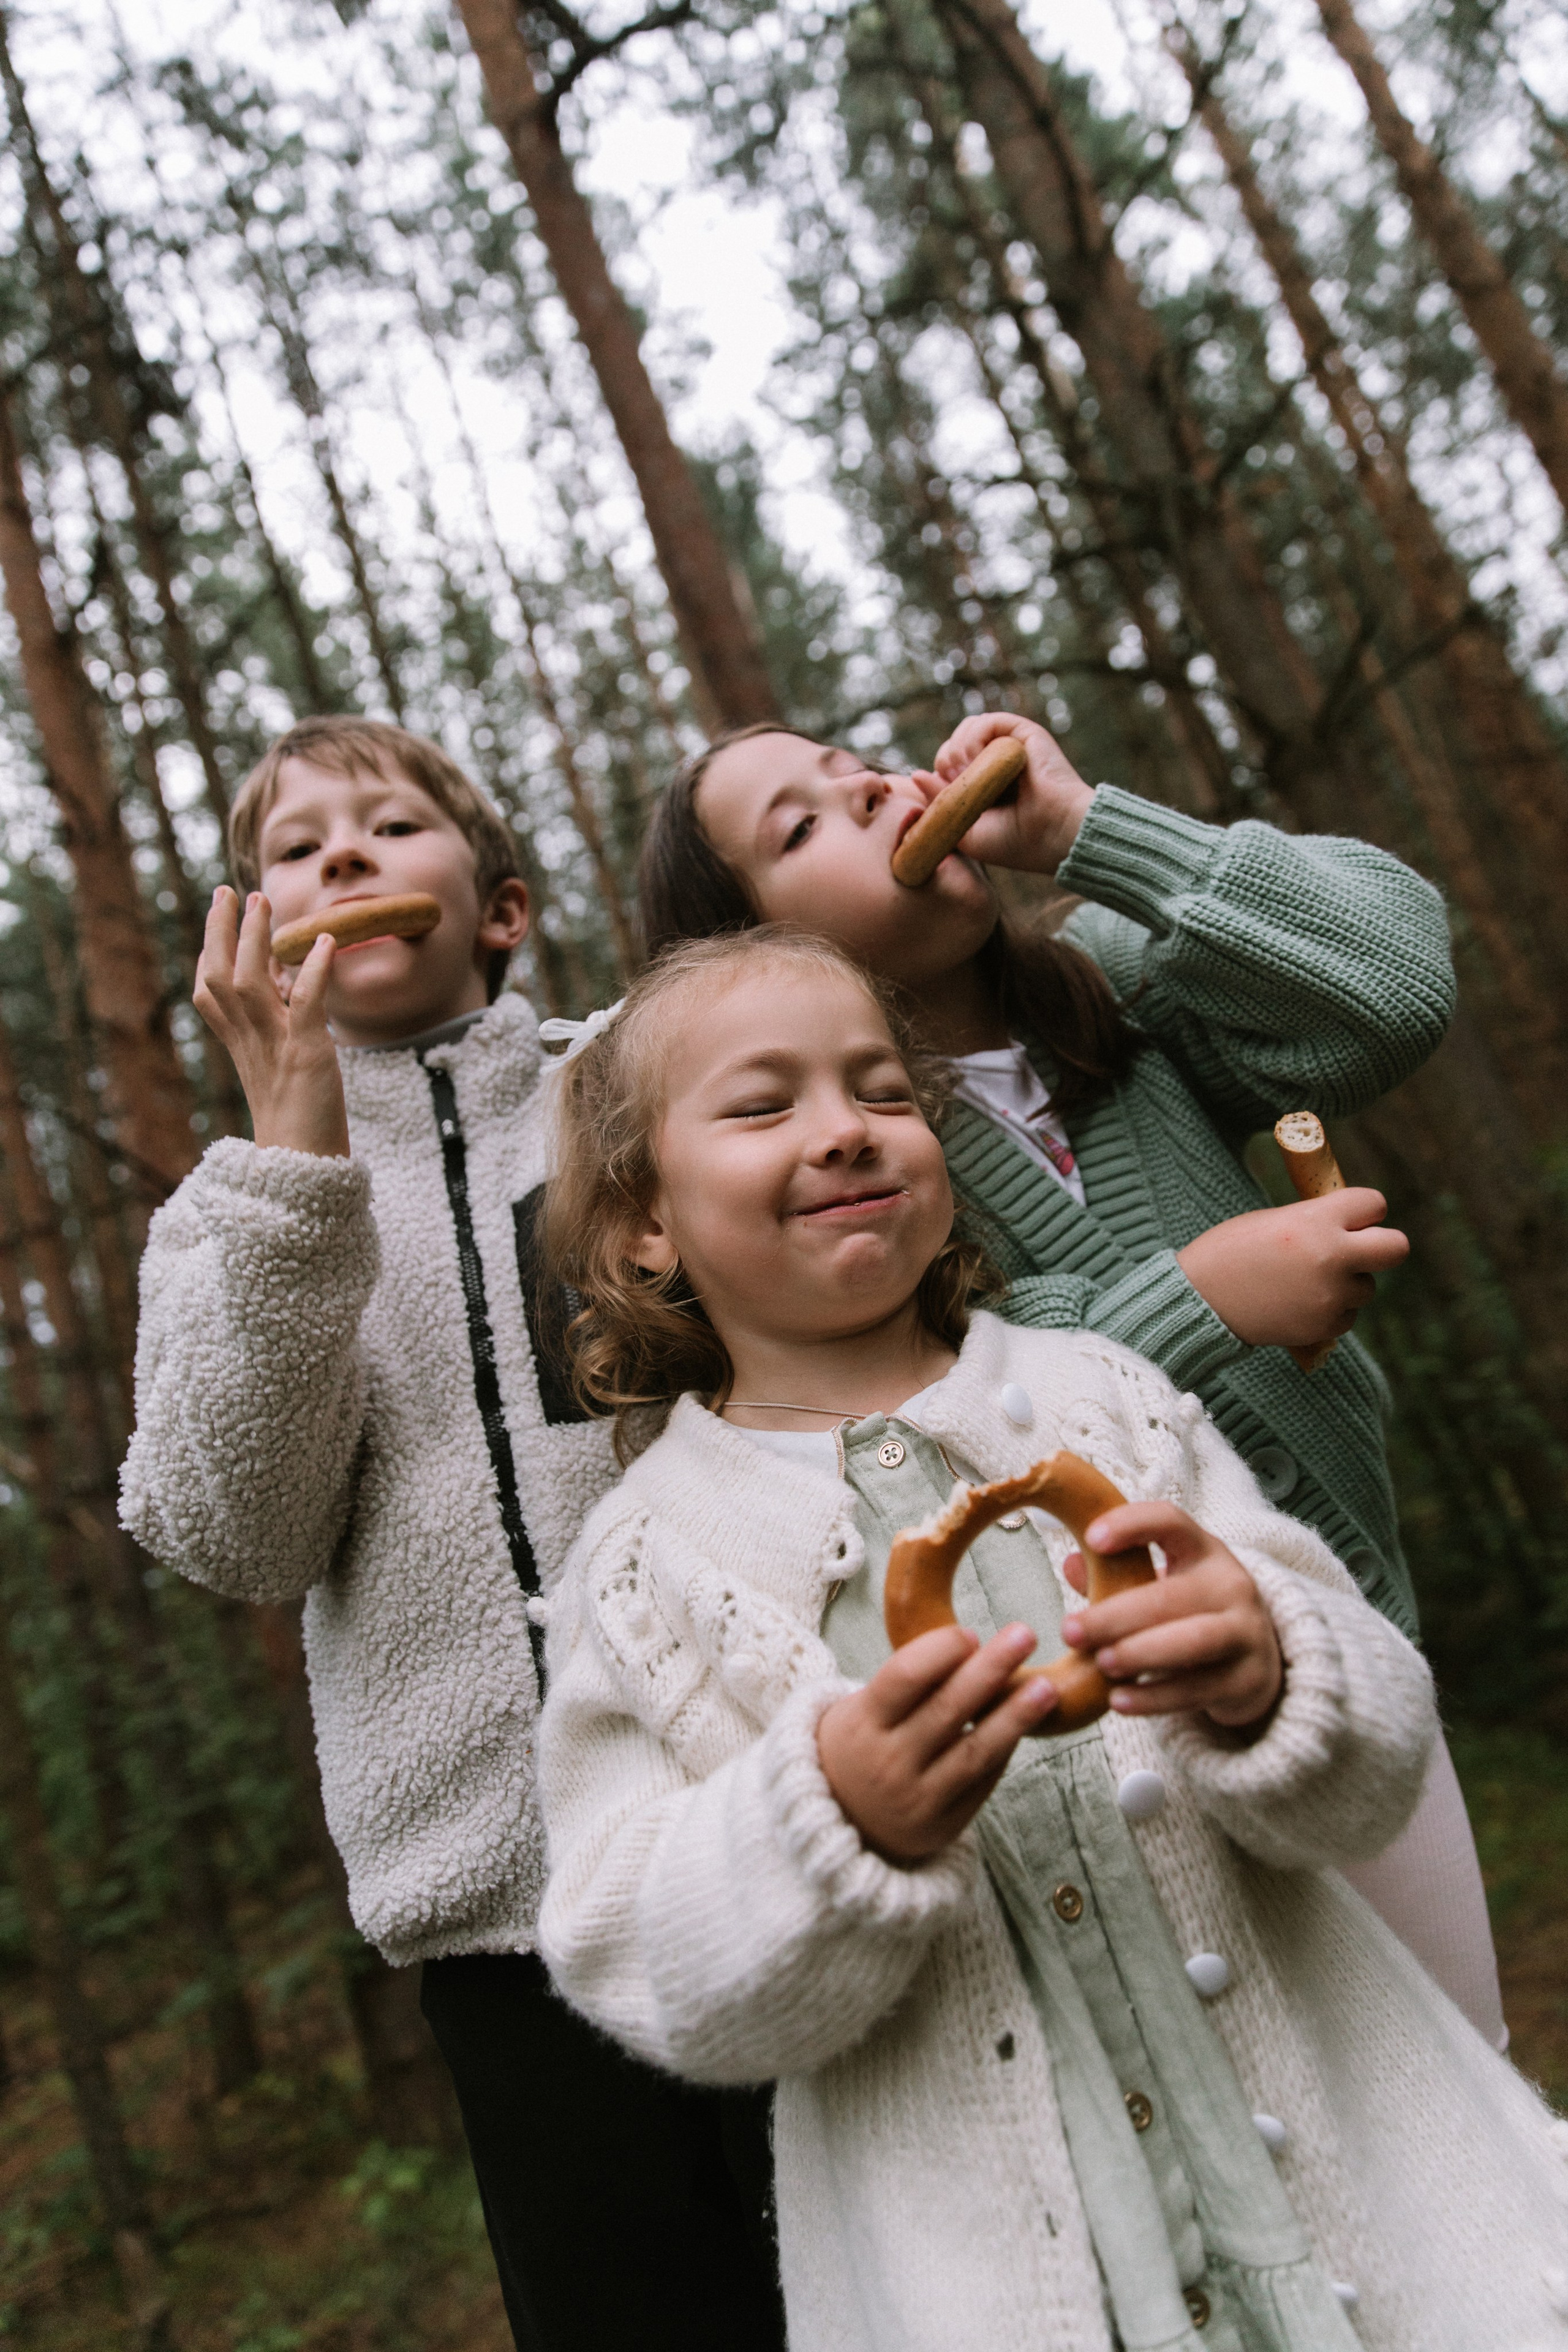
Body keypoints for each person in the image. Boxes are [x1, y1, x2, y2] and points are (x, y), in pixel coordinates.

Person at [532, 927, 1567, 2352]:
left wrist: (1274, 1674)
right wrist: (825, 1826)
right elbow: (633, 1956)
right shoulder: (644, 1565)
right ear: (642, 1223)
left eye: (881, 1091)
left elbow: (1373, 1768)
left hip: (1384, 2232)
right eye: (764, 1106)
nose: (844, 1130)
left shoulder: (1105, 1400)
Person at [634, 710, 1506, 2048]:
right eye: (801, 823)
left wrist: (1092, 829)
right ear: (756, 953)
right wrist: (1203, 1298)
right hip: (1114, 1726)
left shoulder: (1118, 990)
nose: (871, 791)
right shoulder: (851, 1179)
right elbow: (954, 1386)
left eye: (857, 768)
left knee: (1465, 2075)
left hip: (1338, 1643)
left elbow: (1389, 984)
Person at [118, 718, 786, 2352]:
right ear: (251, 938)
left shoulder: (629, 1091)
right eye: (294, 849)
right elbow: (243, 1537)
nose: (341, 857)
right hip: (503, 1930)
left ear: (500, 909)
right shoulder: (218, 1221)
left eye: (388, 826)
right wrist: (294, 1165)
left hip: (766, 1823)